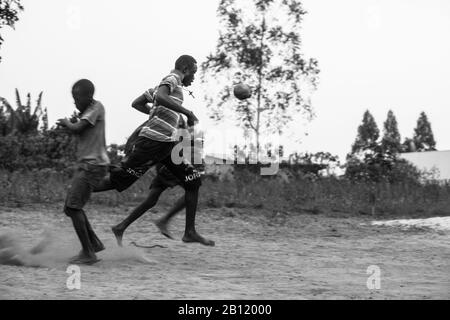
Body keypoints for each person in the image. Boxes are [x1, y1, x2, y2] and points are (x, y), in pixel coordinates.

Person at [95, 55, 214, 246]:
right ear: (184, 68)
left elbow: (137, 103)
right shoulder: (172, 79)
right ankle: (83, 188)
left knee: (193, 181)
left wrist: (155, 112)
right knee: (118, 180)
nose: (193, 77)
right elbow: (160, 96)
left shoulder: (167, 87)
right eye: (193, 72)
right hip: (151, 144)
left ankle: (189, 232)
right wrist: (187, 112)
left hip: (166, 146)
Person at [57, 79, 110, 265]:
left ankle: (89, 252)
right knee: (71, 207)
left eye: (77, 98)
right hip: (89, 165)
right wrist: (72, 124)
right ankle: (93, 244)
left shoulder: (96, 107)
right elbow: (81, 128)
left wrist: (67, 123)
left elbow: (79, 128)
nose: (75, 102)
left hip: (92, 166)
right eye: (73, 99)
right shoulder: (88, 112)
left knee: (73, 207)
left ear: (89, 96)